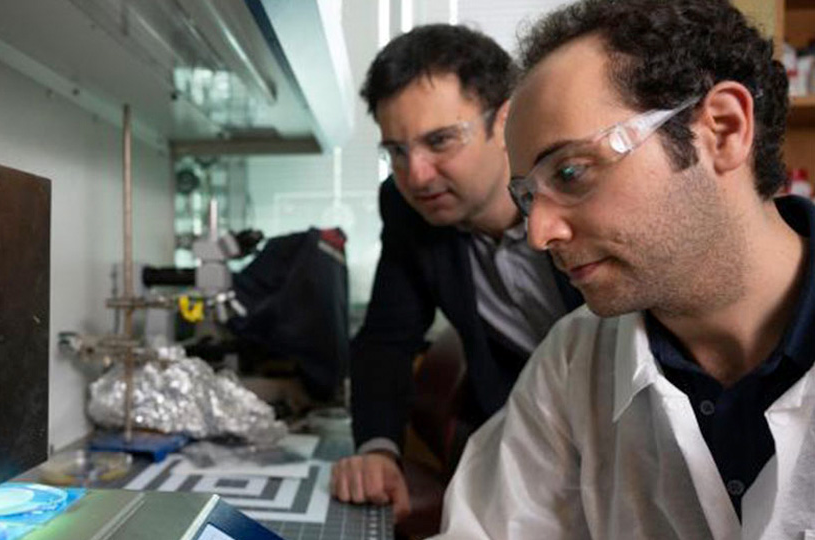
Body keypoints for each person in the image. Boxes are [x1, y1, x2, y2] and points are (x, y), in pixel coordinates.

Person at [436, 0, 814, 538]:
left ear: (723, 130)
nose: (539, 234)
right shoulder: (575, 358)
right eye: (528, 198)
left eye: (571, 172)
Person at [330, 24, 582, 521]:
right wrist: (378, 448)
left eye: (441, 140)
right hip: (518, 445)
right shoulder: (407, 209)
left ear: (506, 121)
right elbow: (386, 338)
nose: (416, 176)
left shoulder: (579, 191)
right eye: (397, 151)